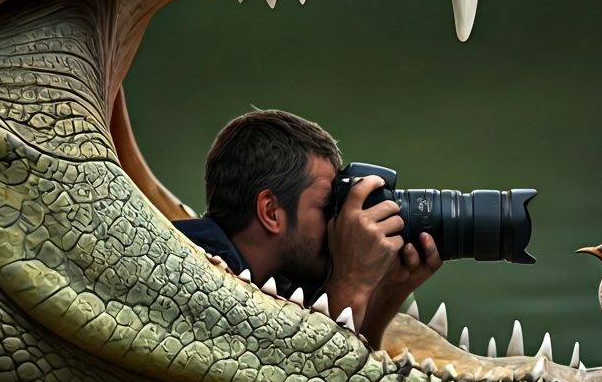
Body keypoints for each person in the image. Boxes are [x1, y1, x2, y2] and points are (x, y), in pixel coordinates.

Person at [173, 109, 442, 349]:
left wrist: (387, 291)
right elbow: (297, 374)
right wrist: (352, 280)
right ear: (271, 212)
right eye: (328, 205)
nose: (340, 221)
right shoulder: (186, 272)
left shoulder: (281, 284)